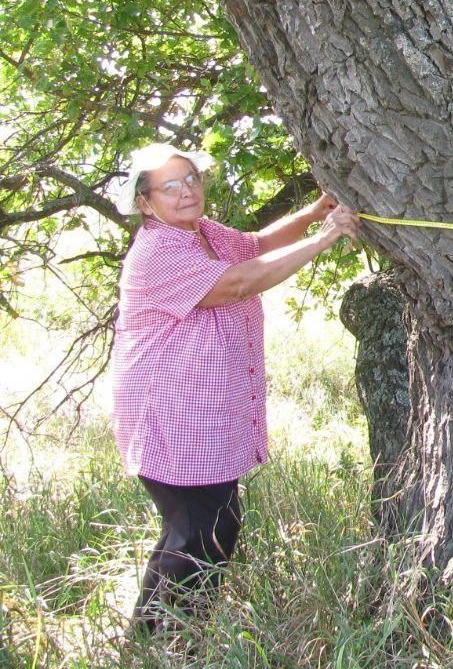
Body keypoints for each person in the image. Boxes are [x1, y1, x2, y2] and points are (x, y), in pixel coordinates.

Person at [110, 142, 360, 634]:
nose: (186, 192)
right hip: (171, 412)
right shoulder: (158, 251)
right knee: (203, 530)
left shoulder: (200, 233)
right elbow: (238, 283)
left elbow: (254, 245)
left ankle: (160, 640)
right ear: (145, 202)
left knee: (203, 527)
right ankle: (173, 640)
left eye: (191, 180)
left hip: (203, 411)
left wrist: (311, 214)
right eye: (171, 186)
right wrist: (322, 239)